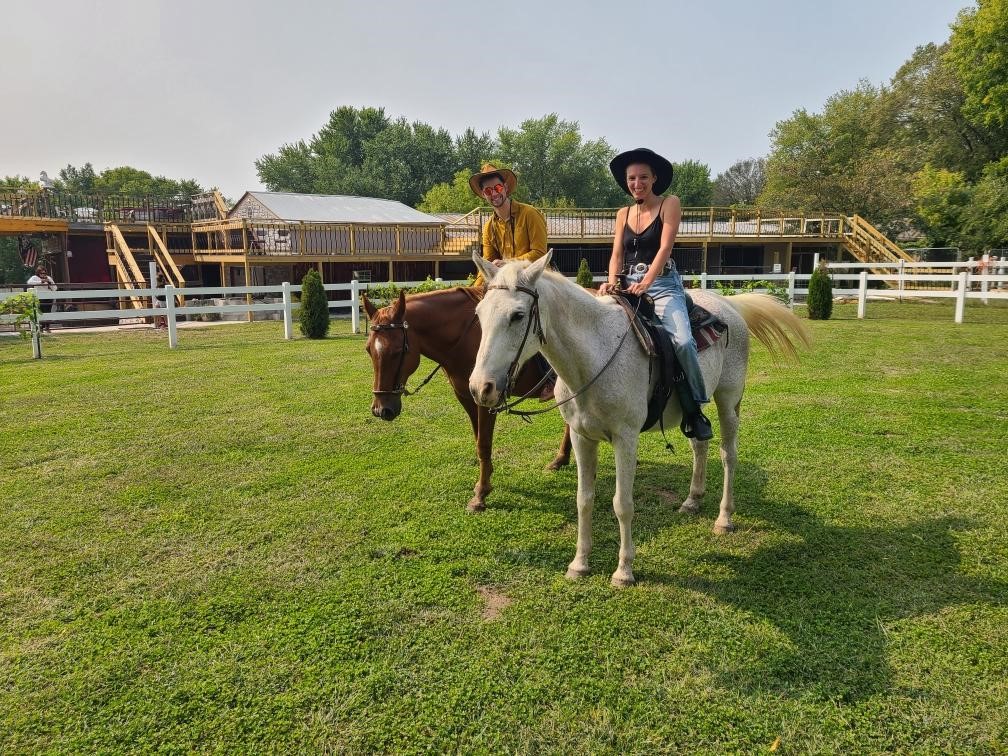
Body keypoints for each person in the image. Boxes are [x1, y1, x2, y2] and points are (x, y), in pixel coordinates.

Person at [599, 148, 713, 441]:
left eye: (643, 177)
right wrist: (612, 281)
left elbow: (665, 247)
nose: (637, 183)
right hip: (627, 282)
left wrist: (647, 281)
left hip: (661, 284)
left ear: (654, 179)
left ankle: (696, 408)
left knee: (684, 342)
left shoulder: (669, 204)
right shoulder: (622, 213)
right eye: (632, 178)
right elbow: (616, 253)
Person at [469, 162, 554, 400]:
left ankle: (552, 379)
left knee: (532, 320)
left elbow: (539, 253)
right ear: (484, 195)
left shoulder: (530, 214)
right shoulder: (489, 226)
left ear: (505, 187)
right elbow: (487, 263)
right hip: (506, 286)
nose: (493, 194)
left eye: (496, 188)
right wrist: (473, 291)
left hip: (539, 279)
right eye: (487, 191)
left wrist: (508, 264)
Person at [27, 265, 56, 333]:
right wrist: (41, 282)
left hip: (48, 297)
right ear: (38, 273)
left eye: (44, 273)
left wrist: (50, 283)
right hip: (39, 297)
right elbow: (29, 282)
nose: (43, 274)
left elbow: (55, 288)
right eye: (42, 273)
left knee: (48, 312)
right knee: (41, 312)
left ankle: (47, 327)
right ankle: (41, 327)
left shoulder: (48, 278)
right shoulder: (34, 277)